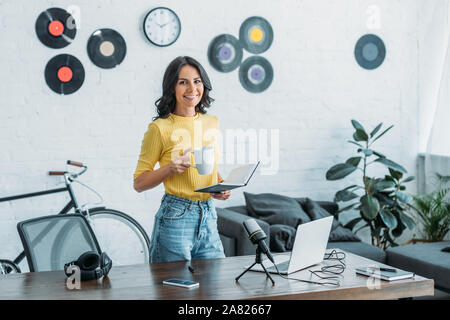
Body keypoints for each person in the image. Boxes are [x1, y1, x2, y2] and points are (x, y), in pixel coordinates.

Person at [133, 56, 230, 263]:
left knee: (217, 289)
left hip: (209, 217)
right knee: (175, 292)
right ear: (171, 88)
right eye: (183, 82)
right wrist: (170, 168)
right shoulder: (159, 128)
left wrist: (220, 186)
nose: (192, 88)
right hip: (175, 217)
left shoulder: (211, 122)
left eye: (197, 81)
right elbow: (139, 183)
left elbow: (210, 169)